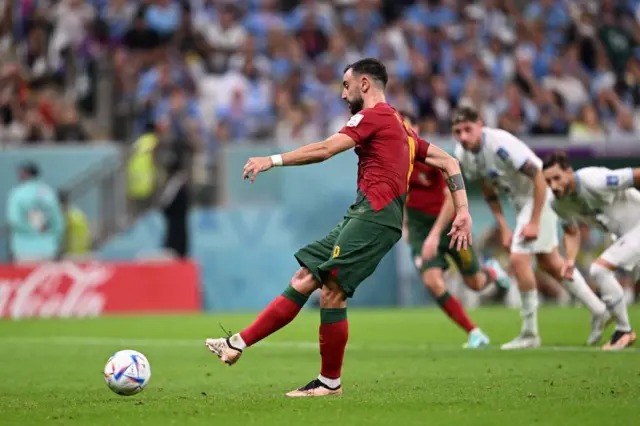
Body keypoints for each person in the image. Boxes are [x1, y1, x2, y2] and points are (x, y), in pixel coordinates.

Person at [205, 58, 473, 397]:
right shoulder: (402, 127)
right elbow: (449, 161)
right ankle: (240, 345)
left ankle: (327, 382)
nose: (343, 95)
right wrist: (462, 210)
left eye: (346, 86)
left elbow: (326, 149)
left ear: (364, 84)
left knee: (332, 291)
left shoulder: (374, 116)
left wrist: (270, 160)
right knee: (305, 280)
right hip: (364, 213)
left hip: (375, 215)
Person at [451, 105, 609, 350]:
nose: (463, 136)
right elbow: (487, 188)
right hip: (520, 203)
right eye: (457, 131)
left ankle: (529, 333)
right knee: (549, 262)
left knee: (518, 259)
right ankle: (599, 309)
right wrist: (503, 226)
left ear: (480, 125)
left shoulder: (500, 145)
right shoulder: (463, 154)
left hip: (541, 195)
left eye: (467, 129)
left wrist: (534, 221)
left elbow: (538, 177)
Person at [399, 110, 511, 349]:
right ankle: (474, 332)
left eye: (407, 128)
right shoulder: (396, 162)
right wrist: (406, 225)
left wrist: (435, 234)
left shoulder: (433, 156)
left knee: (476, 283)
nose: (403, 133)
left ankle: (491, 271)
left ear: (417, 129)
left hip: (450, 226)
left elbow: (451, 198)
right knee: (432, 282)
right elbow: (402, 196)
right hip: (420, 229)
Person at [542, 152, 637, 350]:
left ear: (569, 171)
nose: (553, 185)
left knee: (599, 270)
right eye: (548, 181)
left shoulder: (594, 180)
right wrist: (570, 260)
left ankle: (624, 331)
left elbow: (635, 174)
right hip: (625, 235)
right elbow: (571, 231)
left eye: (557, 178)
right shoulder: (558, 203)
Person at [6, 162, 64, 263]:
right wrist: (55, 241)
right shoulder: (48, 193)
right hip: (48, 248)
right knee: (46, 278)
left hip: (24, 248)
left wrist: (30, 229)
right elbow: (57, 223)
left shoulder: (17, 193)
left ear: (25, 174)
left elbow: (14, 219)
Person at [59, 190, 92, 257]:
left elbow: (63, 238)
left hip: (71, 254)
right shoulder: (78, 213)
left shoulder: (66, 217)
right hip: (84, 252)